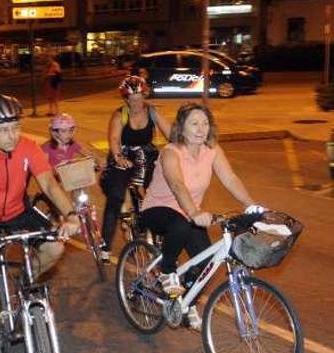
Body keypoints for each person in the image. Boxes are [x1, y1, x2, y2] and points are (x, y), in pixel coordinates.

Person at [0, 95, 80, 353]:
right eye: (4, 129)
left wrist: (70, 215)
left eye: (15, 127)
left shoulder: (28, 148)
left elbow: (49, 185)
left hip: (18, 211)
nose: (12, 135)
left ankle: (23, 281)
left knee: (56, 246)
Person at [140, 103, 264, 328]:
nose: (201, 129)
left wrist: (251, 205)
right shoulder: (171, 152)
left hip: (190, 215)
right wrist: (195, 212)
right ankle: (167, 271)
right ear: (181, 128)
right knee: (180, 225)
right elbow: (177, 185)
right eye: (194, 123)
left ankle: (184, 303)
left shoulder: (212, 150)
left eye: (205, 123)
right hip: (158, 209)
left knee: (207, 263)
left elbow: (230, 178)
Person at [100, 75, 172, 262]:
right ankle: (105, 245)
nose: (136, 103)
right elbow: (114, 140)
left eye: (140, 98)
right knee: (115, 196)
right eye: (132, 100)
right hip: (123, 155)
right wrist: (118, 157)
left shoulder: (152, 112)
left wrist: (181, 146)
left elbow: (171, 133)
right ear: (125, 99)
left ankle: (158, 234)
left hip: (146, 156)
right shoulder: (120, 114)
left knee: (156, 193)